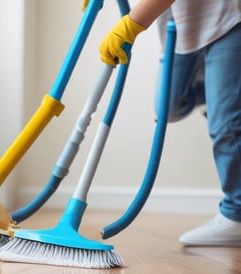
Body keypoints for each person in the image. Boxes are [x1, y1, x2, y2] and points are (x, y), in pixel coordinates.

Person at [97, 0, 241, 246]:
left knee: (225, 126)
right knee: (169, 107)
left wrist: (131, 25)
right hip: (180, 23)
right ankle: (225, 98)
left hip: (226, 16)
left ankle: (236, 213)